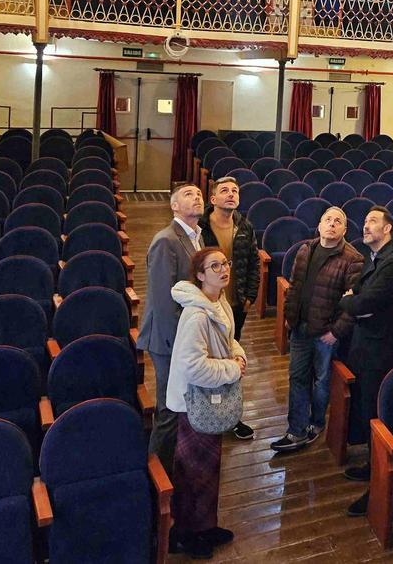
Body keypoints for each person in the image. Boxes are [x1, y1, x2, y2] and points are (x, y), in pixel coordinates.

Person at [166, 247, 247, 559]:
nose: (223, 269)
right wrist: (232, 369)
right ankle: (186, 534)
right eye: (214, 266)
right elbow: (193, 367)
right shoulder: (196, 315)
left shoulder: (219, 301)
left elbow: (228, 340)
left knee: (209, 469)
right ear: (200, 275)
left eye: (225, 263)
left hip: (209, 399)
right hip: (194, 402)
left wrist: (238, 354)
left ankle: (205, 525)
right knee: (193, 472)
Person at [269, 206, 363, 453]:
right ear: (319, 226)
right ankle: (296, 430)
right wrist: (290, 317)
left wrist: (336, 332)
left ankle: (317, 422)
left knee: (322, 382)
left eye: (338, 221)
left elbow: (354, 303)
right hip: (300, 328)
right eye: (327, 219)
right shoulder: (305, 250)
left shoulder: (353, 259)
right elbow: (294, 287)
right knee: (297, 378)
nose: (332, 224)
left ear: (345, 230)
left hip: (326, 334)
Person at [339, 206, 393, 518]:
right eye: (365, 221)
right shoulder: (376, 258)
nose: (365, 226)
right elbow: (361, 298)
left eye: (372, 222)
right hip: (367, 346)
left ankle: (378, 488)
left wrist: (349, 301)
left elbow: (363, 302)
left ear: (388, 229)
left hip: (380, 352)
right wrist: (355, 301)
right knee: (368, 411)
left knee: (378, 416)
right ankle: (371, 467)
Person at [137, 183, 204, 475]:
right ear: (174, 206)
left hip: (186, 334)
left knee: (181, 404)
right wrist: (181, 342)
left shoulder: (197, 236)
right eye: (189, 194)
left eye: (199, 194)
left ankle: (176, 464)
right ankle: (156, 475)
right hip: (168, 338)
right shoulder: (166, 240)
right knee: (168, 408)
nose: (197, 197)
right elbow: (164, 301)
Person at [199, 175, 261, 441]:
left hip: (235, 304)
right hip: (208, 304)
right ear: (213, 198)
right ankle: (204, 413)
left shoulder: (245, 226)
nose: (231, 194)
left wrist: (250, 295)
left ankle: (230, 414)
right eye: (224, 190)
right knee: (208, 359)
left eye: (235, 190)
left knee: (232, 359)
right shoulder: (200, 227)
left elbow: (254, 263)